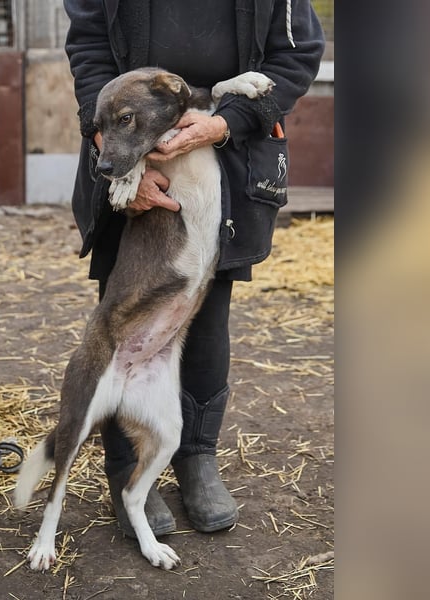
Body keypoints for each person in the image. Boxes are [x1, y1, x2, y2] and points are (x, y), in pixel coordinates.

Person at [63, 0, 325, 535]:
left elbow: (295, 57)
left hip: (226, 152)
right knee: (126, 313)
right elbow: (89, 49)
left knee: (208, 310)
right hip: (130, 147)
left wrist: (225, 123)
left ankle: (196, 456)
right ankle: (127, 467)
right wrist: (115, 154)